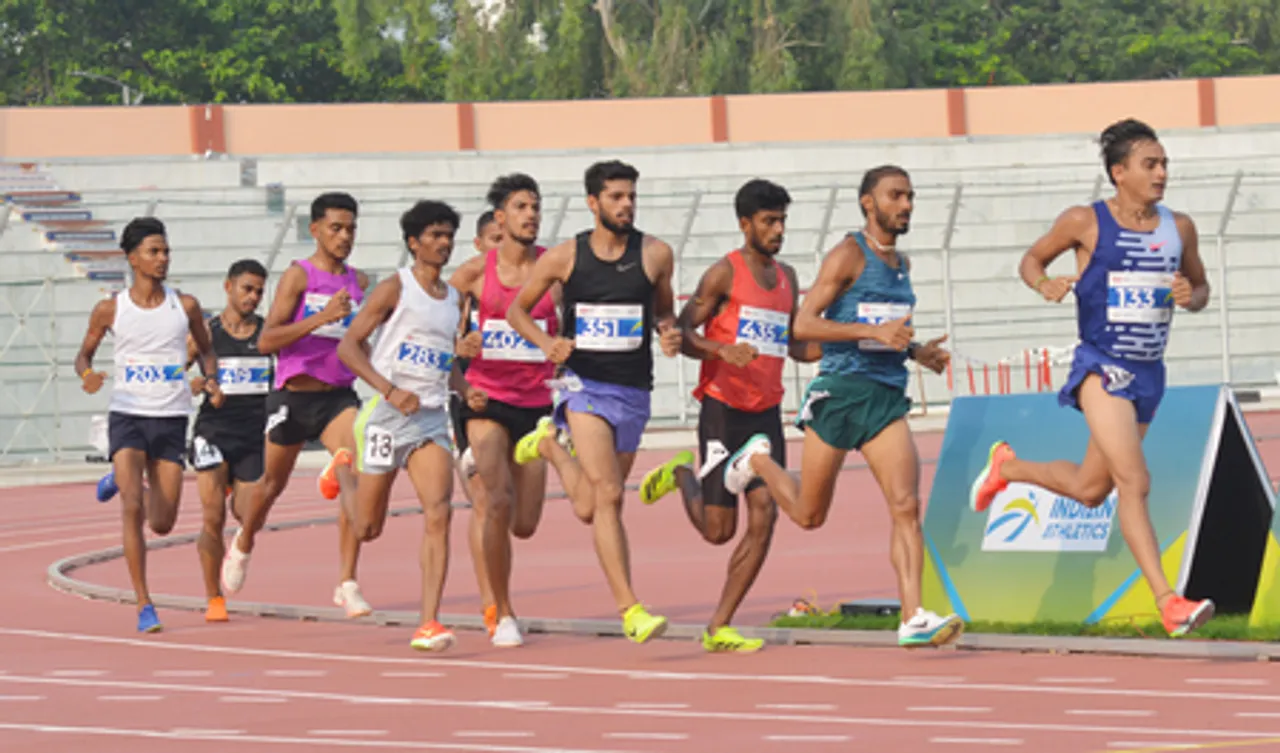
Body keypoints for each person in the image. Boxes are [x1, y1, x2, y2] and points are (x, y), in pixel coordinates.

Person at [969, 118, 1215, 637]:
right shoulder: (1086, 221)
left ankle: (1006, 471)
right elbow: (1031, 259)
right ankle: (1168, 601)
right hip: (1101, 367)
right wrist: (1044, 284)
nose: (1162, 173)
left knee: (1089, 489)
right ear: (1118, 172)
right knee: (1135, 481)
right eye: (1150, 164)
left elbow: (1201, 286)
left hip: (1150, 373)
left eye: (1165, 163)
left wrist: (1191, 297)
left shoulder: (1180, 227)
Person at [718, 165, 965, 648]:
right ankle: (757, 460)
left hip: (884, 398)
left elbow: (885, 331)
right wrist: (872, 332)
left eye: (910, 196)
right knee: (810, 516)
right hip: (839, 394)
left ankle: (913, 616)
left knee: (907, 506)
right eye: (896, 196)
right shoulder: (847, 255)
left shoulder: (902, 266)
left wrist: (916, 352)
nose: (906, 205)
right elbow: (804, 327)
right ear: (868, 204)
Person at [639, 178, 822, 652]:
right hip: (723, 410)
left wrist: (836, 347)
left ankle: (719, 625)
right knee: (719, 532)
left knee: (766, 517)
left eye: (782, 220)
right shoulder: (724, 274)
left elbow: (793, 344)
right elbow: (682, 334)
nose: (778, 230)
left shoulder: (788, 279)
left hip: (765, 412)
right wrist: (723, 349)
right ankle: (683, 473)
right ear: (746, 225)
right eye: (768, 222)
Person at [507, 159, 682, 644]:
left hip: (634, 391)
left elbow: (664, 310)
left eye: (630, 196)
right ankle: (631, 608)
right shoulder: (564, 258)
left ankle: (548, 447)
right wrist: (547, 347)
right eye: (615, 197)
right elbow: (515, 310)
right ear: (593, 203)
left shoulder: (655, 254)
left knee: (589, 505)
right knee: (607, 496)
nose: (626, 205)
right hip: (583, 387)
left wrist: (669, 332)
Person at [221, 192, 373, 618]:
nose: (344, 237)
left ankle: (347, 581)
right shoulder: (298, 277)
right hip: (294, 396)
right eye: (336, 228)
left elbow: (360, 341)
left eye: (351, 229)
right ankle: (245, 541)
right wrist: (320, 319)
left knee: (353, 477)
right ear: (315, 230)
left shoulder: (360, 282)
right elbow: (267, 340)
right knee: (270, 488)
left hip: (338, 398)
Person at [337, 200, 477, 651]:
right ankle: (342, 471)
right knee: (366, 528)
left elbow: (444, 357)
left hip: (431, 419)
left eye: (448, 235)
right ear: (414, 243)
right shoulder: (394, 288)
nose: (443, 243)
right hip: (386, 416)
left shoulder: (454, 298)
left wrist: (463, 386)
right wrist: (389, 389)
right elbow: (349, 348)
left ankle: (428, 622)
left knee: (440, 512)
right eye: (434, 235)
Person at [75, 217, 220, 633]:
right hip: (129, 414)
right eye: (154, 252)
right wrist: (86, 376)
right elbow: (82, 356)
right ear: (133, 258)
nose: (163, 259)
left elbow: (207, 352)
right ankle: (144, 604)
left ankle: (119, 478)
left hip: (171, 417)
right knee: (133, 508)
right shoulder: (110, 308)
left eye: (166, 251)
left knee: (162, 521)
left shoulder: (186, 305)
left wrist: (211, 378)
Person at [449, 174, 559, 648]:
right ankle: (503, 610)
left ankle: (498, 597)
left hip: (537, 405)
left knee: (525, 523)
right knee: (493, 501)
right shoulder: (474, 273)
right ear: (501, 217)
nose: (531, 214)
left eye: (535, 206)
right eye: (521, 207)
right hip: (485, 399)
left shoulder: (556, 268)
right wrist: (459, 344)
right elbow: (431, 322)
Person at [185, 259, 271, 623]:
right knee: (212, 517)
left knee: (249, 515)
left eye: (258, 291)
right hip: (214, 432)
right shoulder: (206, 333)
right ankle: (214, 597)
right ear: (228, 287)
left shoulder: (268, 335)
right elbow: (175, 373)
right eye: (247, 289)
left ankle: (242, 532)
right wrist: (196, 384)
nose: (253, 297)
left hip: (254, 436)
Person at [452, 208, 504, 634]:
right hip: (472, 399)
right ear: (479, 246)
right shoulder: (463, 290)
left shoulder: (535, 285)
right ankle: (492, 602)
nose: (502, 249)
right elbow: (432, 337)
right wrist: (460, 346)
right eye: (494, 240)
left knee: (519, 516)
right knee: (484, 500)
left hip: (523, 401)